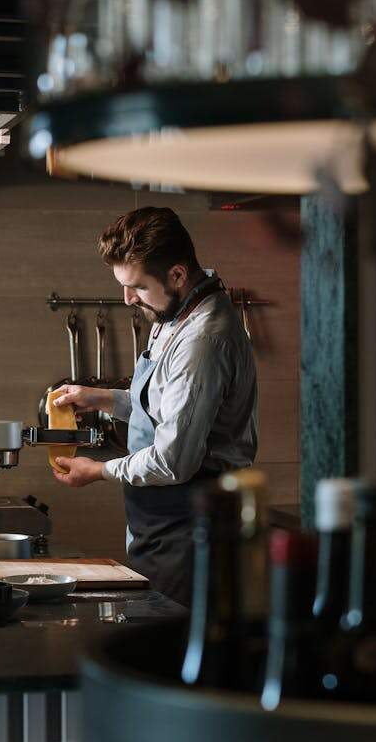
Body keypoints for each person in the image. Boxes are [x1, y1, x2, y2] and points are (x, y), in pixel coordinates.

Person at [51, 207, 258, 606]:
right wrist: (103, 399)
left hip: (191, 525)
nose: (127, 299)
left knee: (173, 648)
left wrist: (98, 471)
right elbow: (164, 408)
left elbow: (173, 460)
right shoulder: (174, 311)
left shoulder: (203, 341)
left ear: (178, 275)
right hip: (162, 520)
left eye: (138, 287)